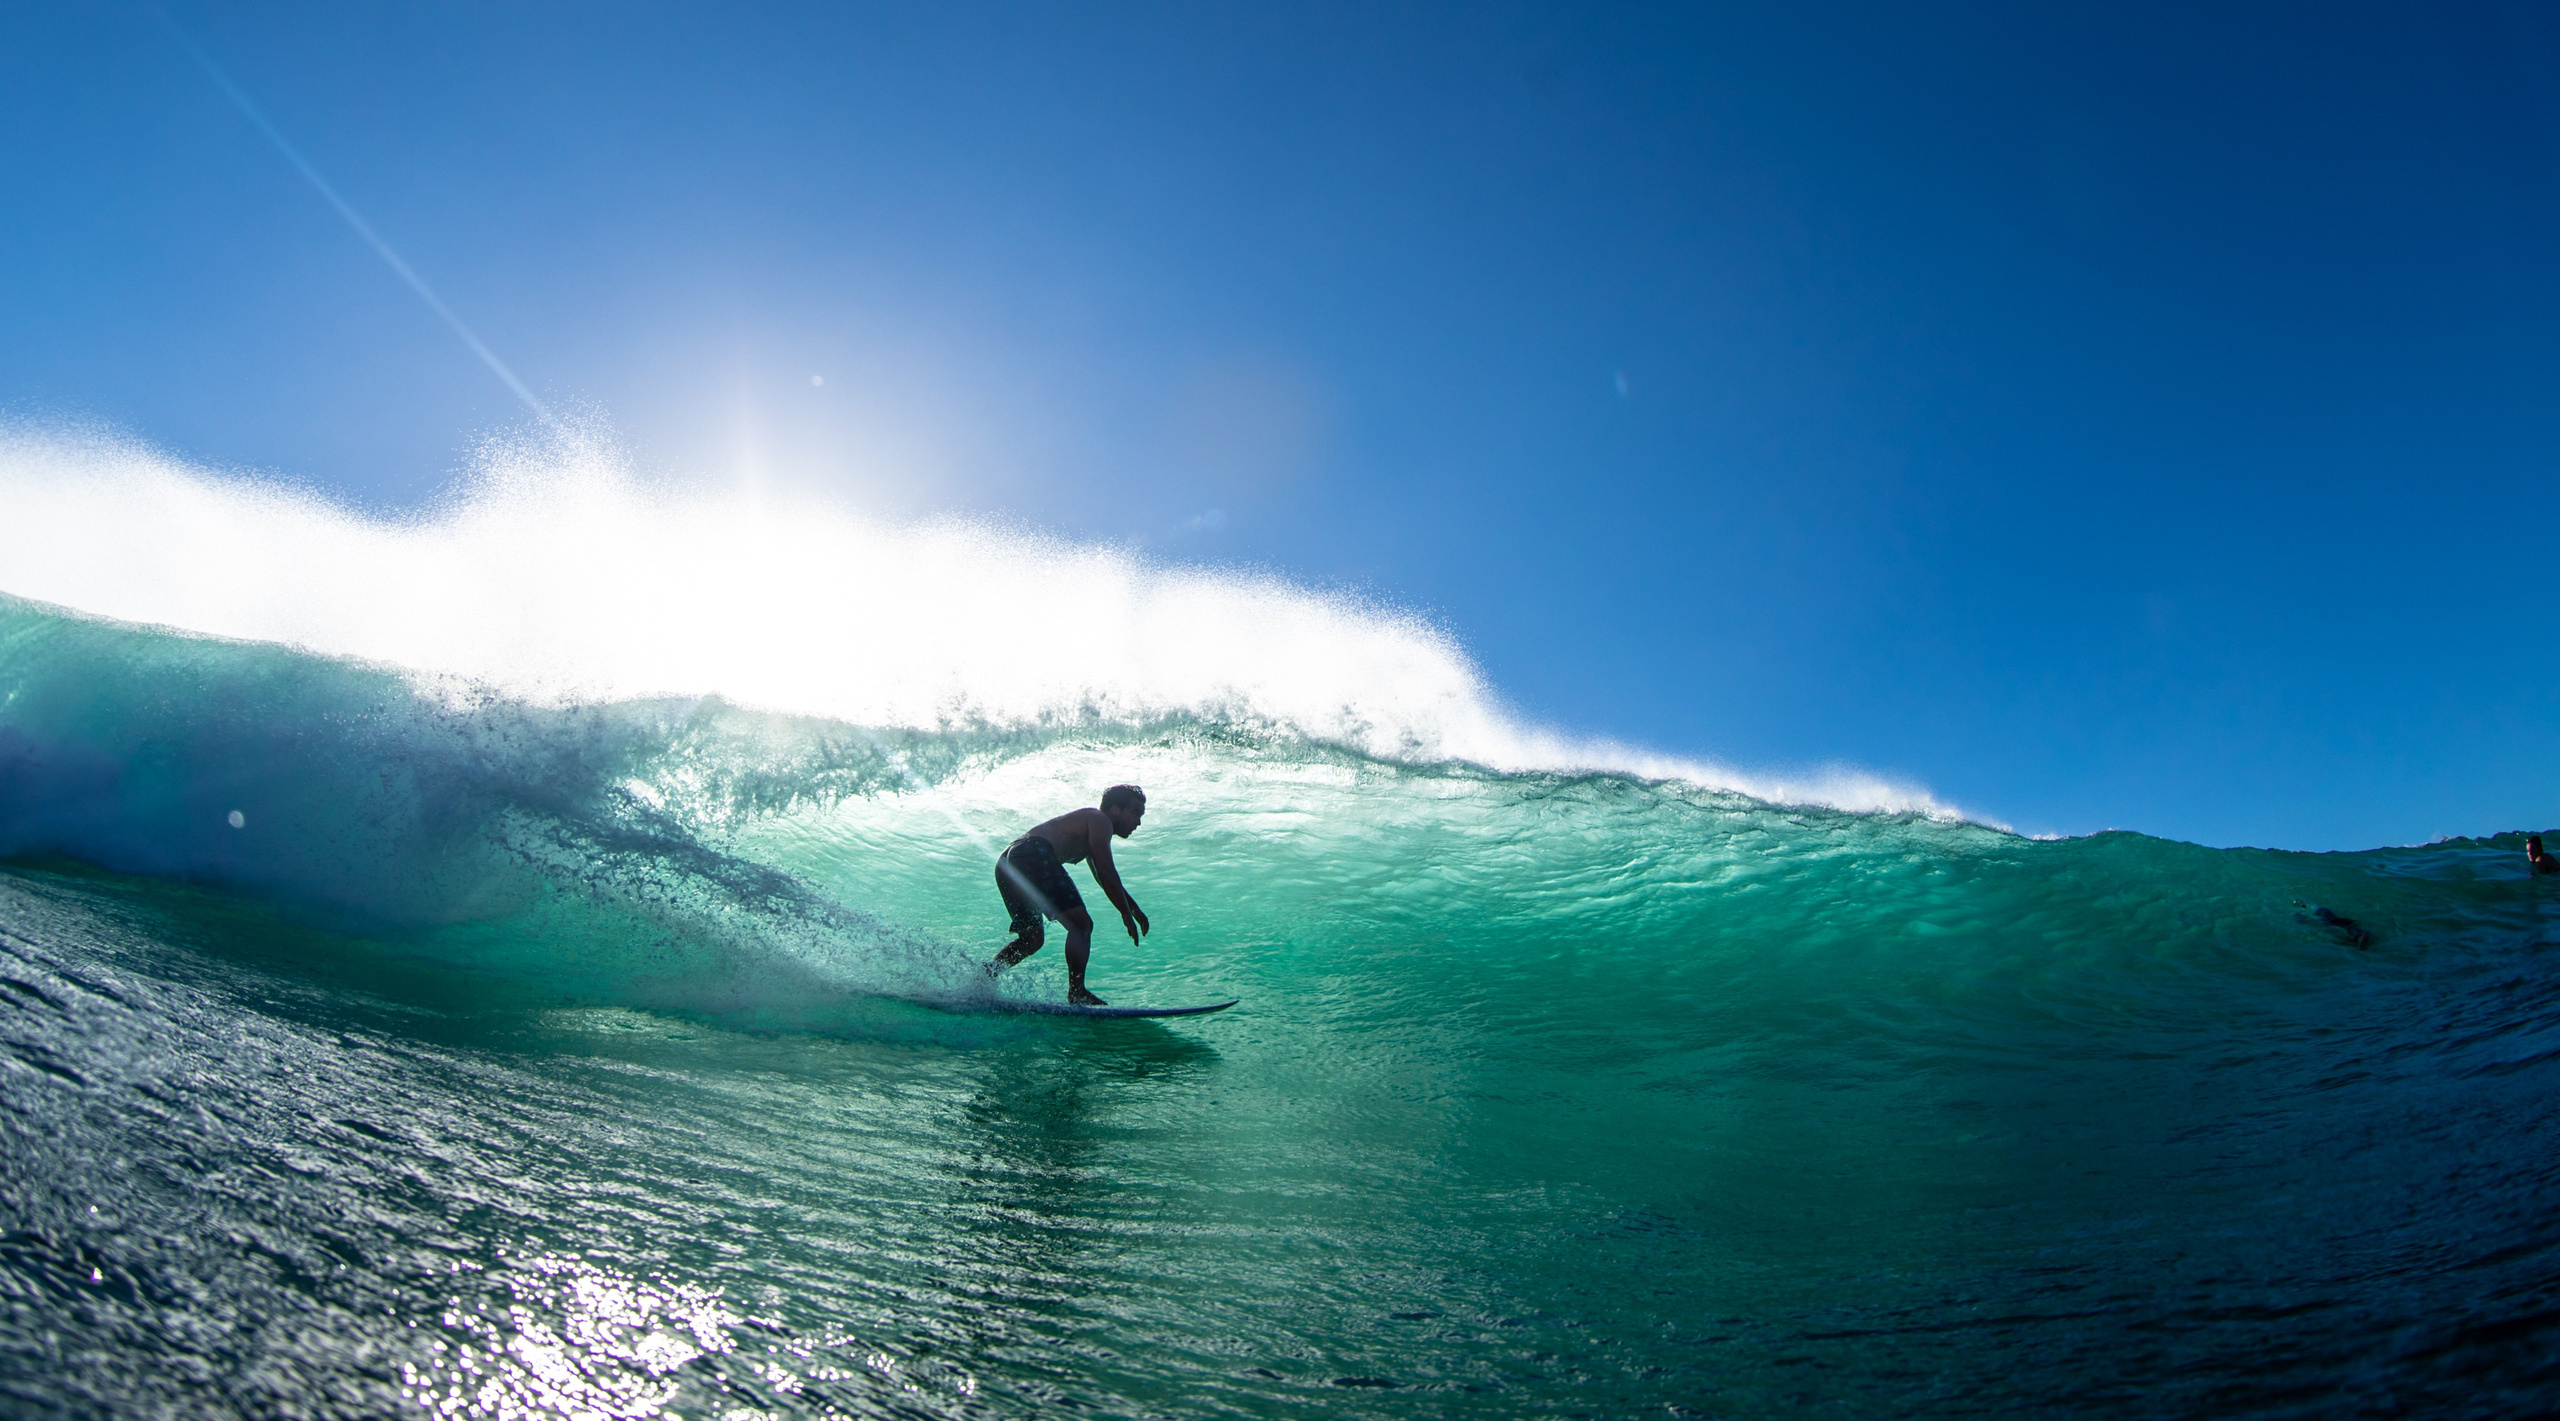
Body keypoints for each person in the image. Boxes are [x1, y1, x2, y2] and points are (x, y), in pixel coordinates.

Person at [987, 784, 1151, 1005]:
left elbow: (1105, 880)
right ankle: (1077, 991)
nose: (1138, 822)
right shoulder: (1100, 820)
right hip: (1032, 853)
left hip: (1008, 863)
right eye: (1135, 813)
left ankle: (986, 976)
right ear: (1114, 809)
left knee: (1031, 939)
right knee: (1081, 925)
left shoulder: (1090, 827)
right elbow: (1107, 872)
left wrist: (1134, 909)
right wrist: (1125, 914)